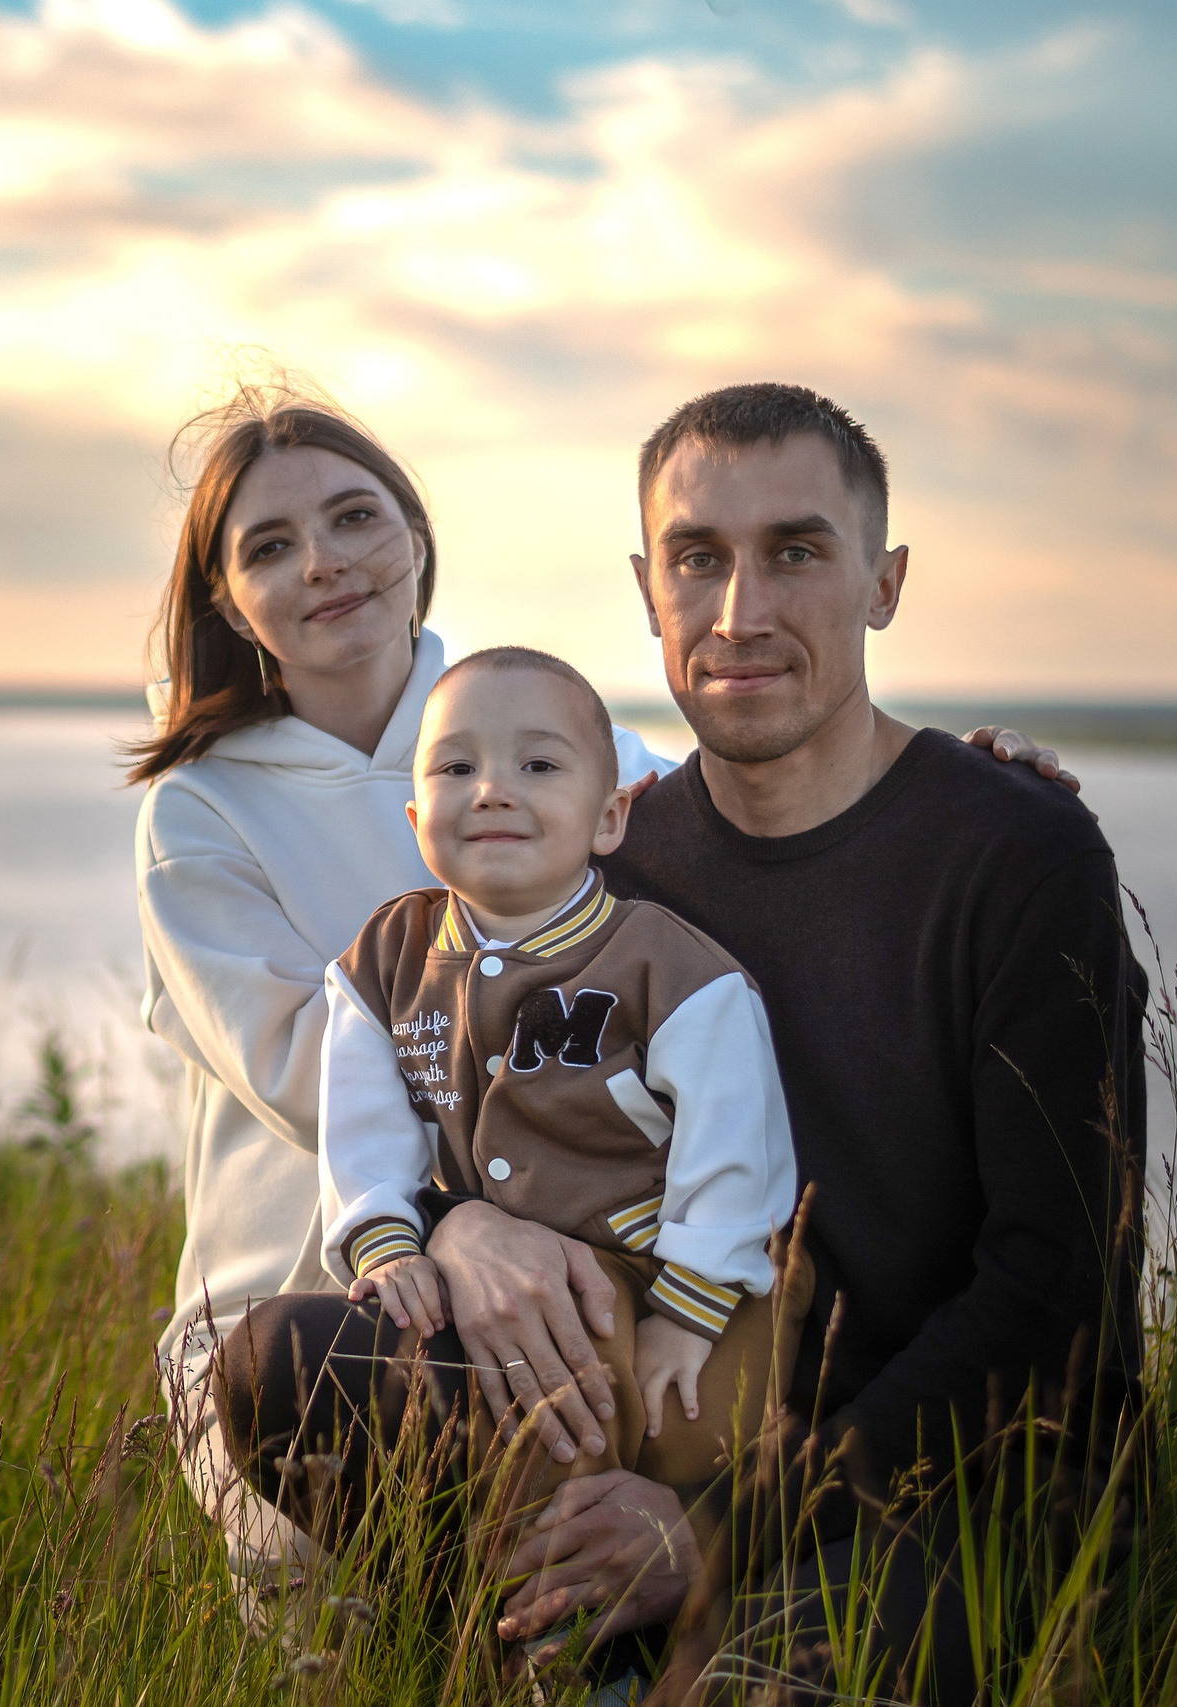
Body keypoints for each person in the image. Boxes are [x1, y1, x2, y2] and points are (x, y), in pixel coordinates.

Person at [226, 381, 1143, 1699]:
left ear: (884, 582)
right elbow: (441, 1094)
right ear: (648, 591)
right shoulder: (618, 851)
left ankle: (651, 1638)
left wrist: (719, 1528)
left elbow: (1053, 1294)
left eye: (797, 551)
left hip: (939, 1475)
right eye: (698, 559)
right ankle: (518, 1639)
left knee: (734, 1688)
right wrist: (449, 1221)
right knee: (284, 1365)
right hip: (672, 1415)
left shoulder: (1019, 854)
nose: (740, 612)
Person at [232, 645, 800, 1568]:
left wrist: (688, 1313)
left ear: (610, 815)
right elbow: (365, 1131)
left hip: (648, 1267)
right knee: (427, 1387)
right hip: (484, 1275)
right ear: (417, 817)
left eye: (538, 765)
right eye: (457, 768)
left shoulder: (665, 964)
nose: (492, 789)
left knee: (556, 1410)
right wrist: (387, 1235)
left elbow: (735, 1151)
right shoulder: (386, 960)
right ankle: (481, 1629)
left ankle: (566, 1636)